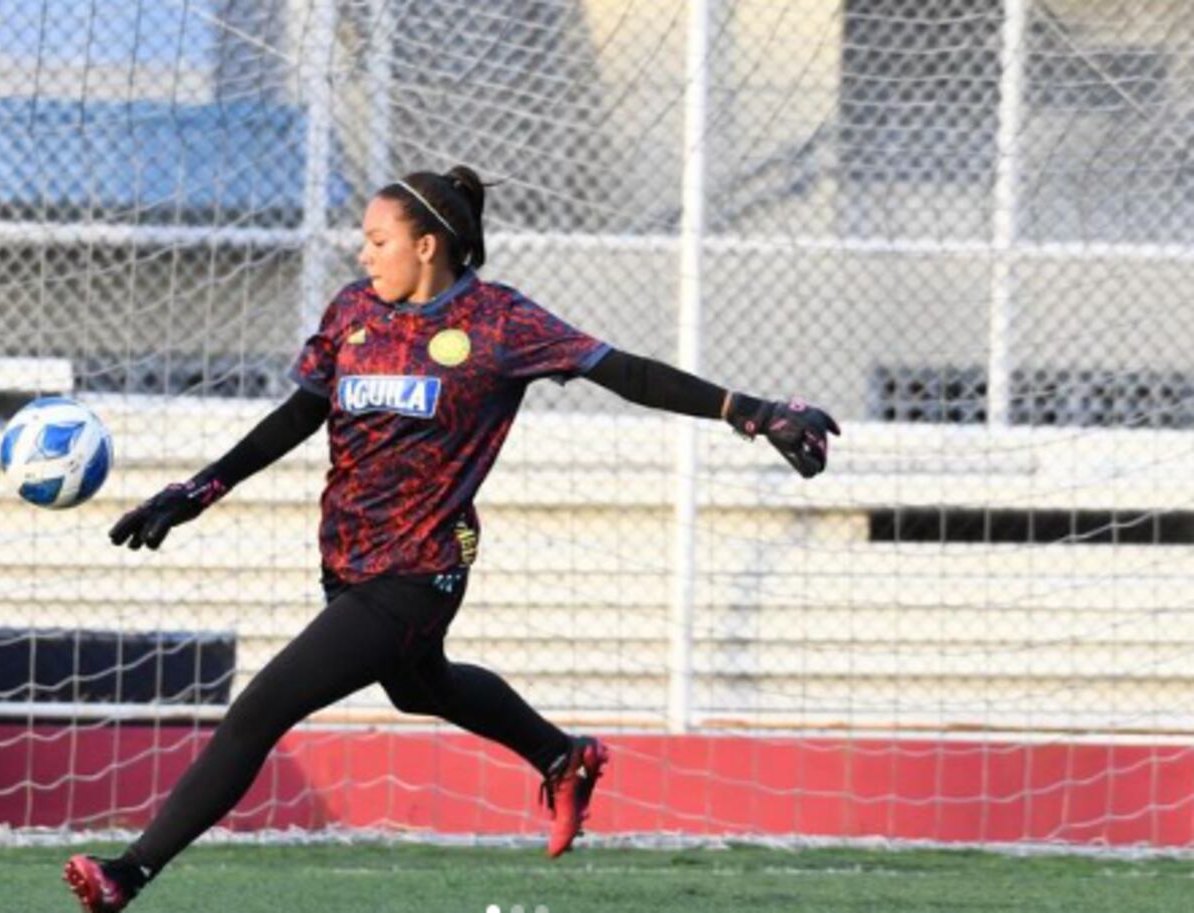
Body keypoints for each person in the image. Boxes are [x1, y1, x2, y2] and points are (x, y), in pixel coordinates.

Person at [62, 165, 840, 913]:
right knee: (417, 685)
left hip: (421, 568)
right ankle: (562, 756)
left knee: (259, 710)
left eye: (376, 239)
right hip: (349, 561)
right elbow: (299, 413)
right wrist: (195, 491)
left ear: (425, 245)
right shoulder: (351, 311)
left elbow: (624, 371)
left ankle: (128, 873)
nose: (363, 254)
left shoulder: (499, 321)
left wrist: (752, 409)